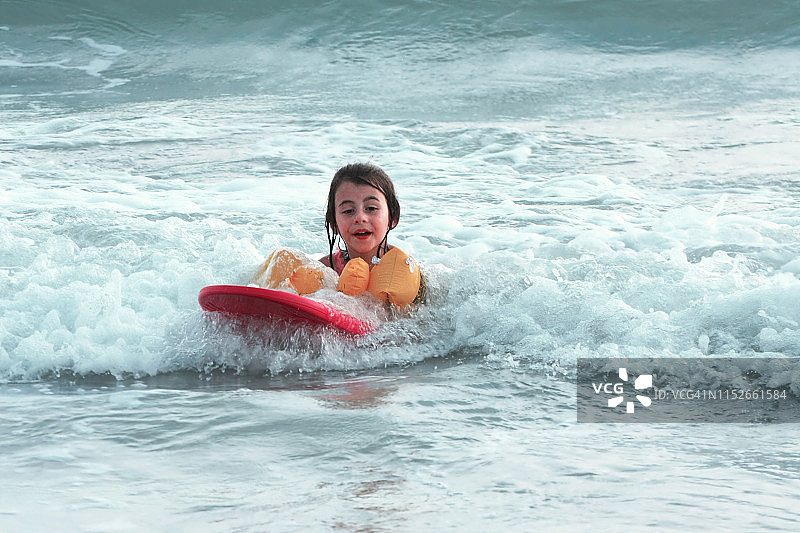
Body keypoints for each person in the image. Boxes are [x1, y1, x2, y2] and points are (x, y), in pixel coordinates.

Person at [251, 163, 423, 308]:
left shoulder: (405, 271)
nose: (360, 218)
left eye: (371, 208)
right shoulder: (325, 271)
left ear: (392, 217)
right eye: (348, 210)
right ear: (334, 225)